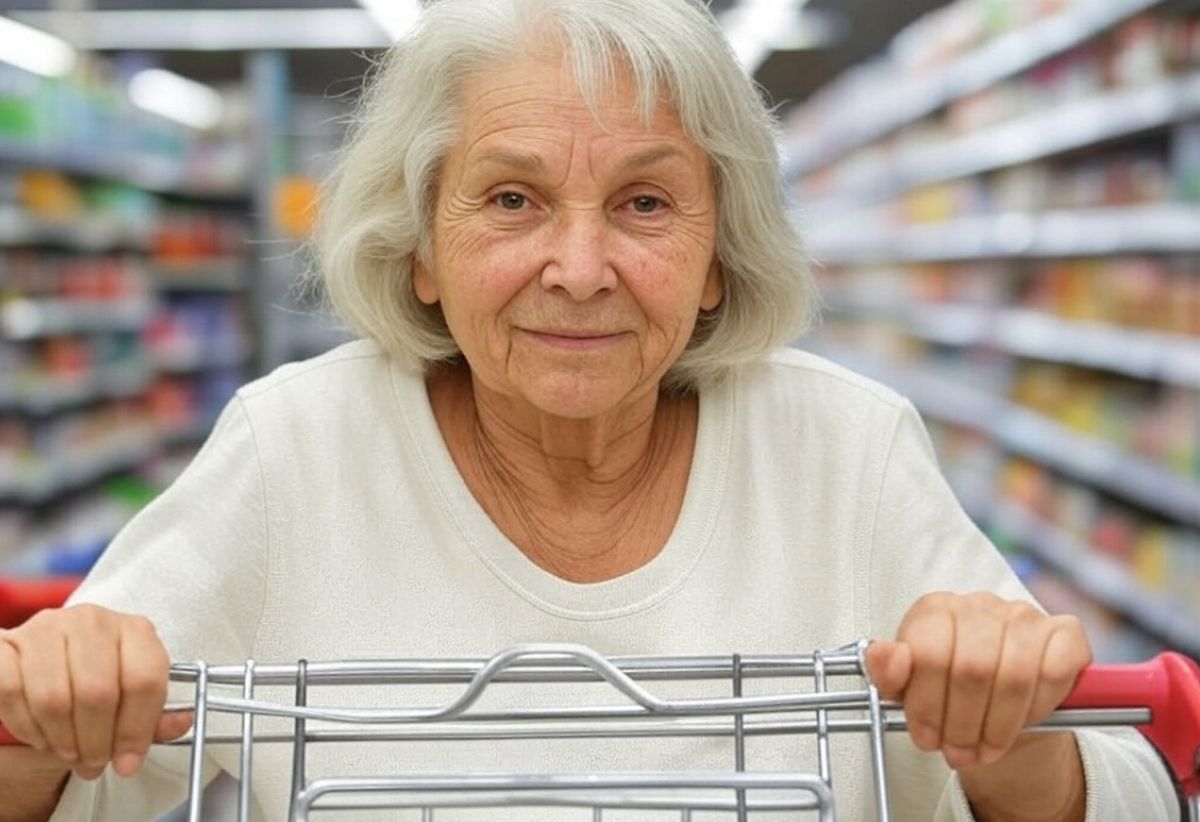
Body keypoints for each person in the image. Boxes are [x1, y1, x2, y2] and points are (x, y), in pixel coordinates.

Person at [0, 0, 1181, 820]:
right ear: (421, 246)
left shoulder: (844, 452)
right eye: (512, 198)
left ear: (721, 252)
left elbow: (1130, 797)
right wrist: (51, 711)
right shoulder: (296, 450)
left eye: (646, 203)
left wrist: (1015, 747)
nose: (579, 265)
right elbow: (65, 794)